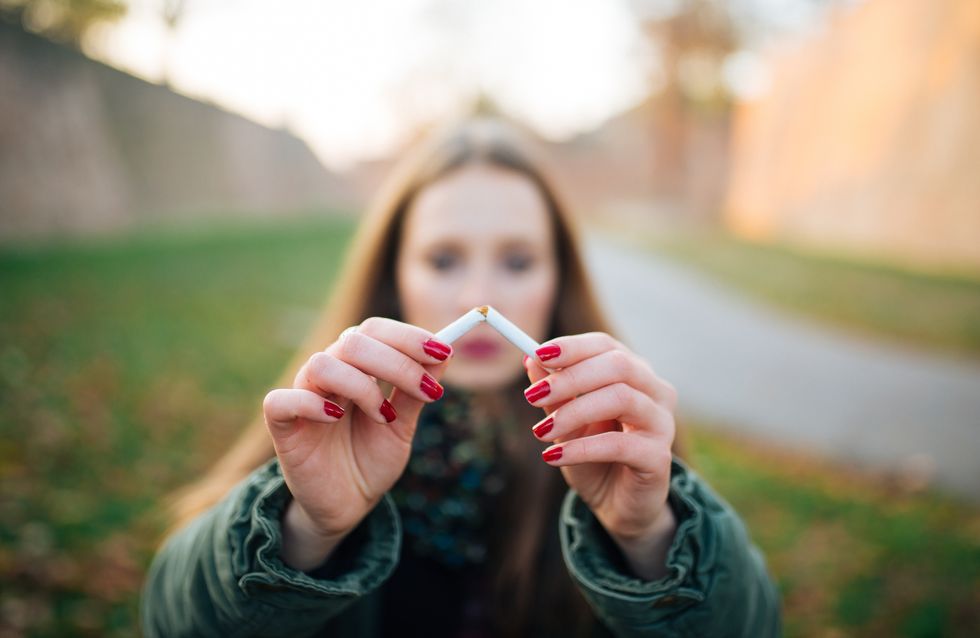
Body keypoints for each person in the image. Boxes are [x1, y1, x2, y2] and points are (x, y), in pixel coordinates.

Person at [140, 116, 781, 637]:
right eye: (443, 259)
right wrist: (305, 530)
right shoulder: (329, 426)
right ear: (396, 274)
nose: (479, 300)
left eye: (518, 260)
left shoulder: (611, 435)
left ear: (559, 276)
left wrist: (649, 538)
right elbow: (170, 620)